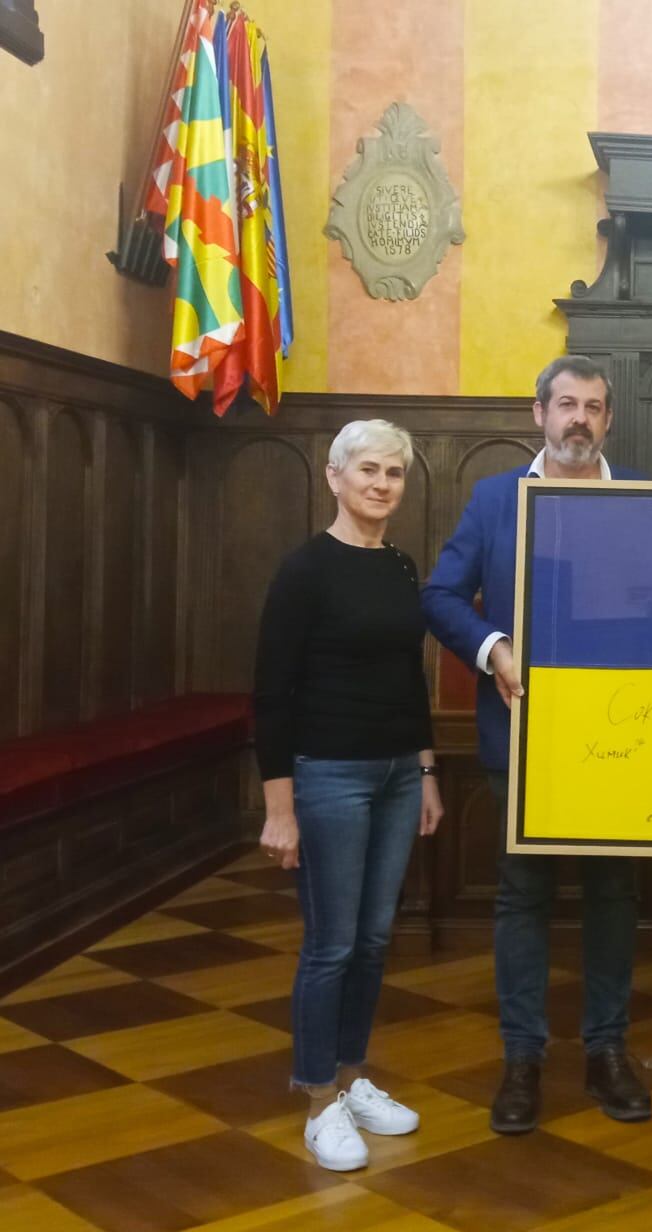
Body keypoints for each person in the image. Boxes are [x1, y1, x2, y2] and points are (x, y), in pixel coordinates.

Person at [422, 355, 652, 1132]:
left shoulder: (644, 500)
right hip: (520, 736)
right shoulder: (494, 500)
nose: (578, 418)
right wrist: (493, 649)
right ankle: (522, 1057)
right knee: (523, 898)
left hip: (620, 739)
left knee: (613, 896)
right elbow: (441, 595)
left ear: (608, 419)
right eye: (565, 404)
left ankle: (606, 1051)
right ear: (538, 413)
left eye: (592, 406)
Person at [253, 418, 444, 1172]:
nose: (380, 484)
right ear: (334, 477)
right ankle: (316, 1098)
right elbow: (270, 694)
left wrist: (426, 771)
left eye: (393, 473)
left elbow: (408, 678)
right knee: (330, 945)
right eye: (367, 470)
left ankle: (353, 1076)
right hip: (327, 774)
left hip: (399, 772)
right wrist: (278, 806)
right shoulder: (304, 570)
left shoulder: (400, 566)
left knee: (372, 939)